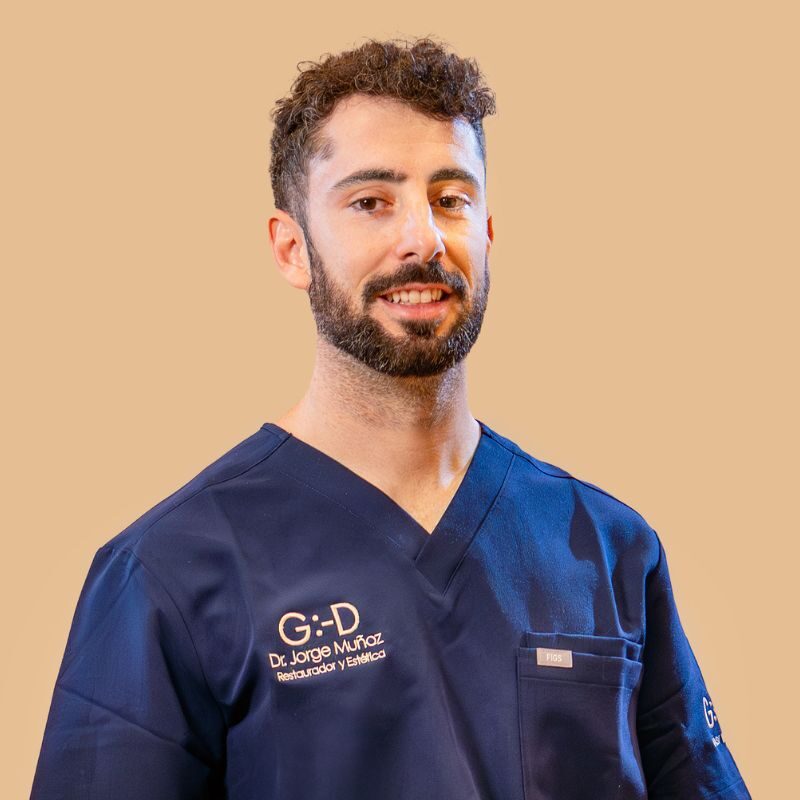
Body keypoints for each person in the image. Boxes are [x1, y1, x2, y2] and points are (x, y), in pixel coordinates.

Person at [30, 36, 751, 799]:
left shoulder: (608, 548)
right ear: (292, 248)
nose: (422, 238)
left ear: (487, 231)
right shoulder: (170, 571)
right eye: (371, 201)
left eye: (451, 199)